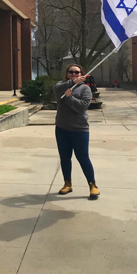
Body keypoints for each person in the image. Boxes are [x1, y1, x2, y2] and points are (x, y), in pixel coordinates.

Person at [53, 64, 99, 200]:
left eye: (77, 72)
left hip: (79, 129)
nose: (74, 74)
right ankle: (67, 183)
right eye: (71, 72)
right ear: (67, 74)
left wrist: (69, 98)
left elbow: (82, 107)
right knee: (65, 157)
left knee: (83, 157)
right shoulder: (61, 85)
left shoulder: (85, 89)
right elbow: (56, 90)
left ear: (81, 74)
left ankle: (92, 185)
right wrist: (71, 83)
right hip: (62, 128)